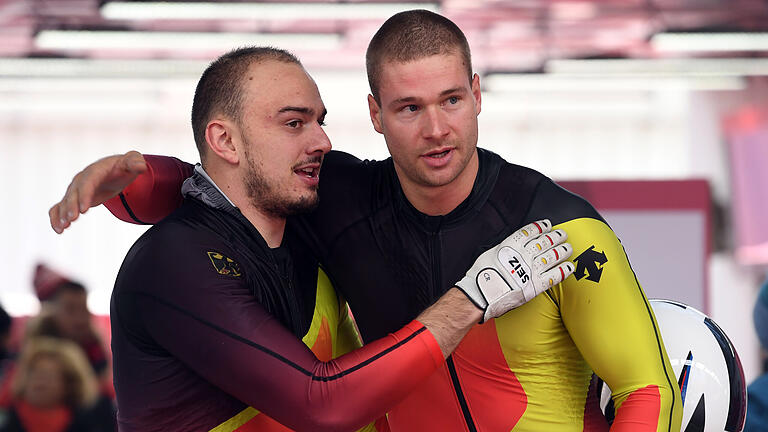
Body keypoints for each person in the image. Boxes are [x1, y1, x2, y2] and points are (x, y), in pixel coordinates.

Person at [50, 11, 682, 431]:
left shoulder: (561, 233)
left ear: (479, 96)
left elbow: (646, 393)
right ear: (376, 114)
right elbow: (231, 192)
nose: (436, 130)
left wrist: (144, 177)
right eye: (409, 107)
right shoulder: (333, 201)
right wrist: (144, 176)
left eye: (452, 101)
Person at [0, 337, 109, 432]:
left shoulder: (87, 423)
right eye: (34, 372)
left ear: (70, 385)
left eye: (49, 375)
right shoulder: (5, 417)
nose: (40, 380)